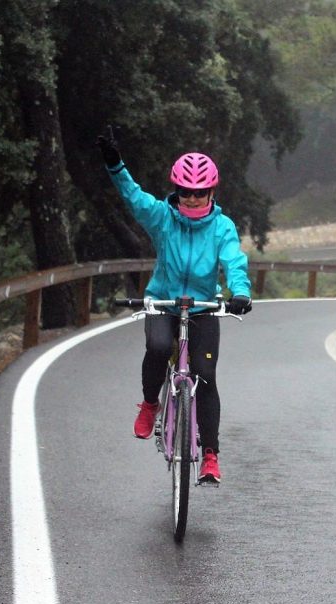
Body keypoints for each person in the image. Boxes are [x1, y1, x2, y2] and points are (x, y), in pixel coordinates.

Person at [96, 127, 252, 484]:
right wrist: (114, 163)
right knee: (158, 345)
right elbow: (133, 197)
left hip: (203, 307)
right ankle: (150, 404)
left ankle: (210, 456)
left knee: (206, 377)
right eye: (186, 192)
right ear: (176, 190)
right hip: (163, 302)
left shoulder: (223, 227)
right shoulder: (162, 218)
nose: (193, 199)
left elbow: (234, 262)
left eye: (200, 193)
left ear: (212, 191)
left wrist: (240, 292)